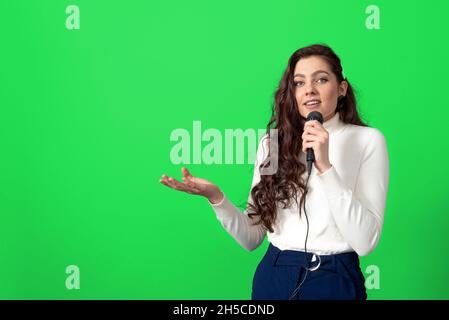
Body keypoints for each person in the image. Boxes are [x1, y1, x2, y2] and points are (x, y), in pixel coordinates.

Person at [160, 44, 389, 300]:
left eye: (321, 79)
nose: (309, 90)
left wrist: (325, 167)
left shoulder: (368, 141)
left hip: (334, 279)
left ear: (342, 88)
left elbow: (366, 241)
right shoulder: (272, 145)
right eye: (299, 83)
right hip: (274, 275)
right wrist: (216, 199)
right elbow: (252, 238)